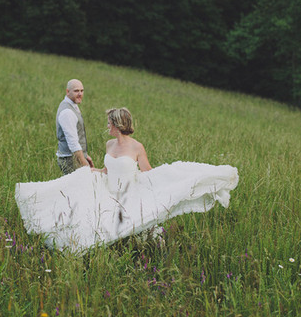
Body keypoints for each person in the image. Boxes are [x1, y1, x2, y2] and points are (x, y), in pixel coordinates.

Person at [15, 107, 239, 253]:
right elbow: (106, 170)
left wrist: (165, 182)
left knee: (111, 223)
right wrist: (91, 170)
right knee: (75, 199)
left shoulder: (136, 147)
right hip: (107, 188)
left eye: (109, 123)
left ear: (118, 124)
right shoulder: (109, 144)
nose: (107, 127)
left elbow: (148, 171)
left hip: (128, 192)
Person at [56, 79, 93, 174]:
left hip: (75, 158)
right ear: (67, 92)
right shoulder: (67, 112)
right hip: (70, 160)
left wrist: (85, 155)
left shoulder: (72, 105)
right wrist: (84, 164)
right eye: (76, 91)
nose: (80, 94)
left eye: (82, 91)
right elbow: (73, 144)